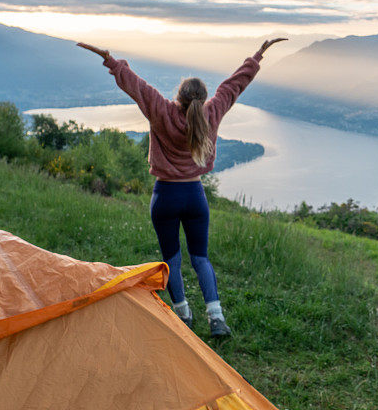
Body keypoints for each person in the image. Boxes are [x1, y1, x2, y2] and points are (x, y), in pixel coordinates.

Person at [78, 38, 286, 337]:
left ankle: (183, 315)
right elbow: (234, 85)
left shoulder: (161, 110)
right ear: (202, 100)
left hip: (165, 195)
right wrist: (257, 56)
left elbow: (135, 84)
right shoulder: (211, 113)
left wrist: (110, 59)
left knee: (171, 259)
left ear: (178, 97)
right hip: (195, 196)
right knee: (200, 257)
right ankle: (217, 318)